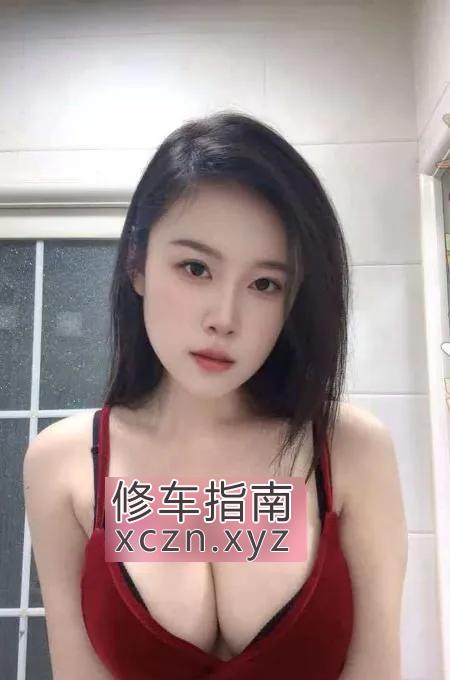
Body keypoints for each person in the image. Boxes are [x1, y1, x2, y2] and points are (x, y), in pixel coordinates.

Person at [23, 110, 408, 680]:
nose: (224, 318)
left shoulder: (350, 448)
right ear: (137, 264)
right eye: (196, 267)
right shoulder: (62, 462)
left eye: (264, 283)